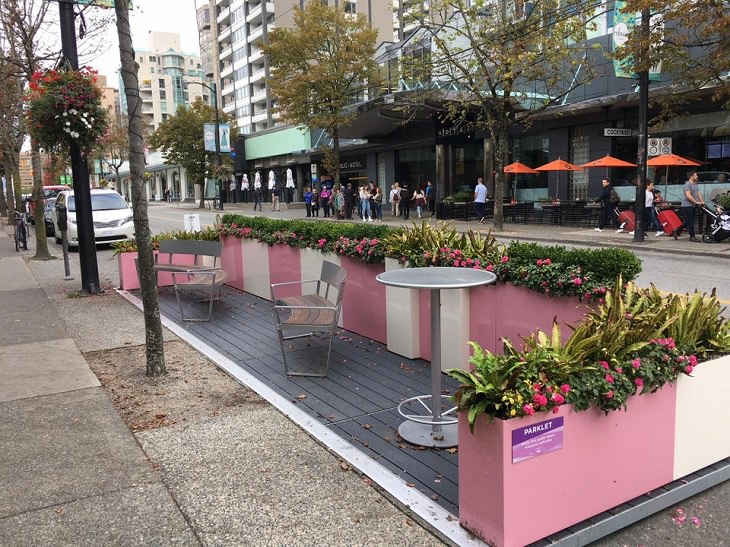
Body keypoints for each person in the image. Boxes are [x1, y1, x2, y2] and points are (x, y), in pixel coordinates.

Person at [675, 171, 705, 241]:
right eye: (696, 175)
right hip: (686, 205)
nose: (697, 177)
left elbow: (698, 193)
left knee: (690, 221)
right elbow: (688, 195)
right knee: (691, 221)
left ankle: (677, 230)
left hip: (692, 205)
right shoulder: (687, 185)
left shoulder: (695, 184)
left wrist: (702, 201)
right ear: (691, 177)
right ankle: (692, 236)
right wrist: (696, 202)